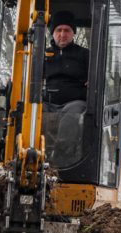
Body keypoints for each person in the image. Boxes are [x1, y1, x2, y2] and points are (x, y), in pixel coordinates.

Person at [43, 11, 89, 167]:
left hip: (74, 103)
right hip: (47, 102)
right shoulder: (41, 56)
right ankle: (36, 159)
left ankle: (61, 166)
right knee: (32, 111)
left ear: (73, 33)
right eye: (58, 30)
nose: (62, 34)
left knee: (72, 115)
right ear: (53, 33)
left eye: (67, 30)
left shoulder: (85, 56)